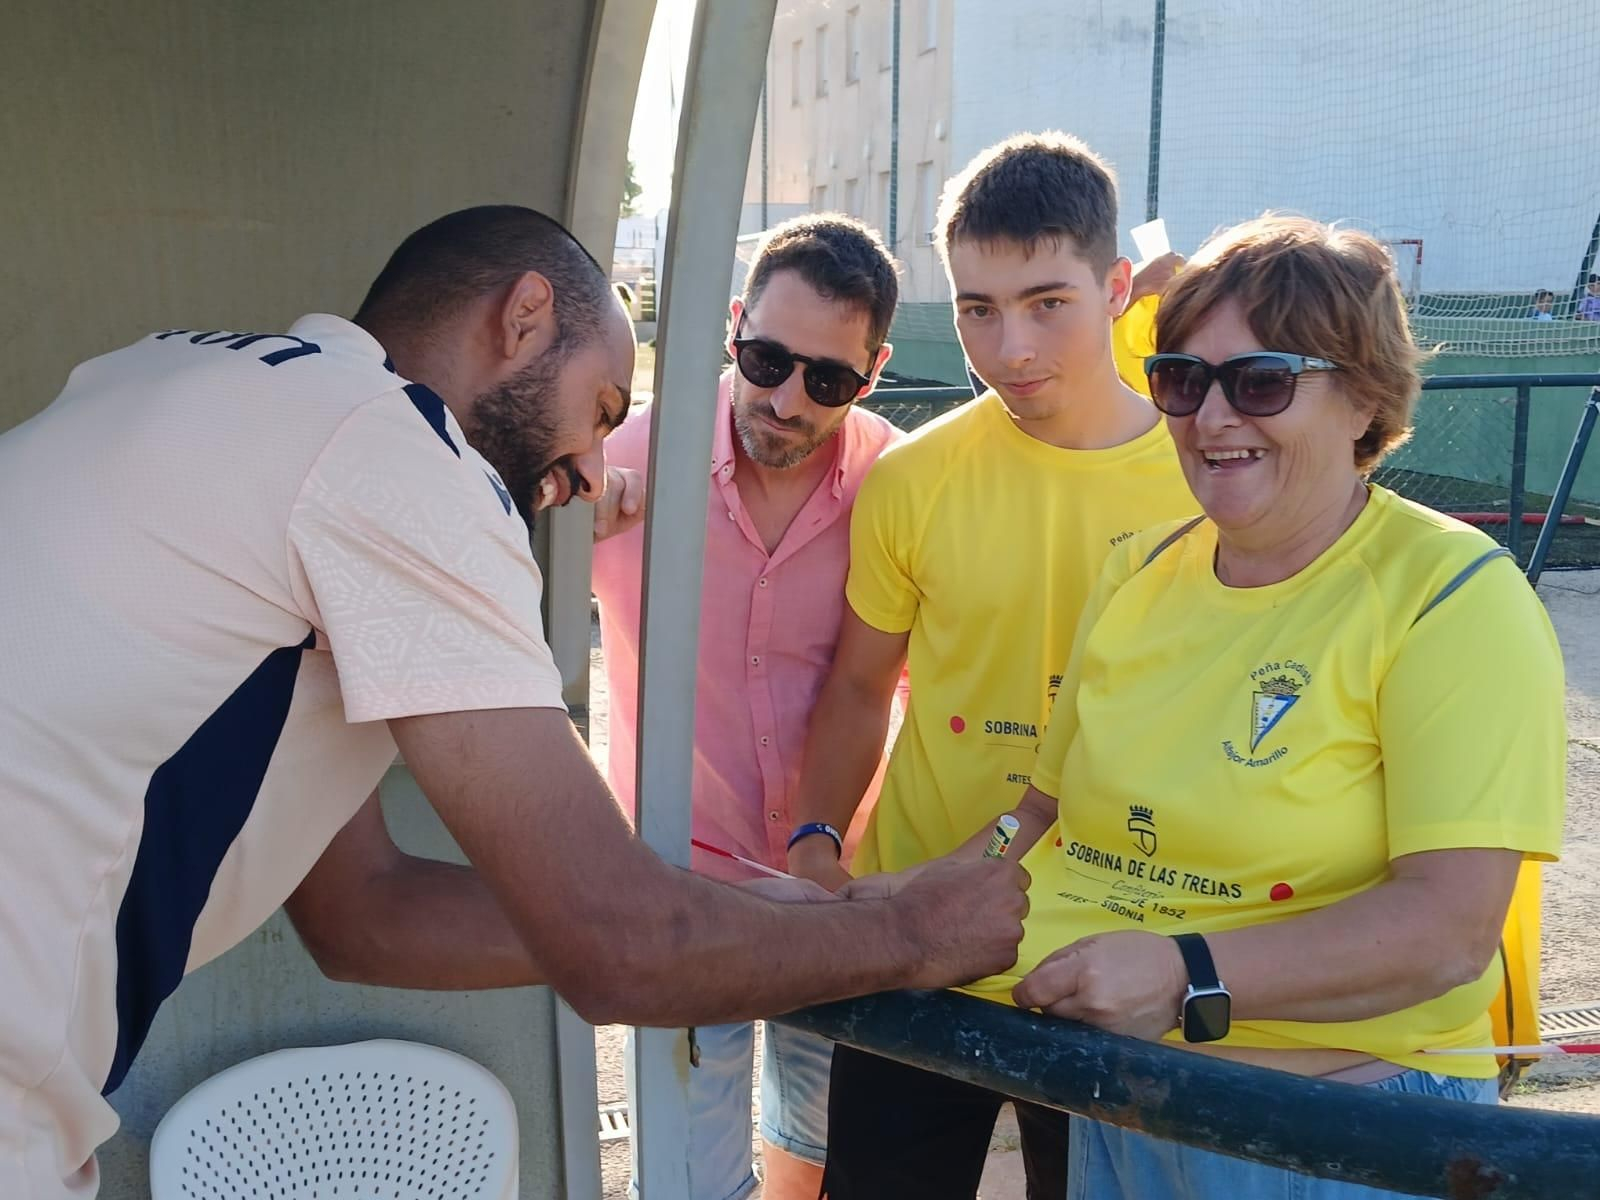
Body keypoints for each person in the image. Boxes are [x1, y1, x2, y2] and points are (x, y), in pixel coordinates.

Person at [0, 205, 1031, 1200]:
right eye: (601, 411)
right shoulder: (395, 454)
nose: (591, 473)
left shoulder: (175, 375)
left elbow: (366, 917)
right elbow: (617, 948)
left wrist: (760, 905)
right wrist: (915, 933)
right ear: (523, 314)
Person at [966, 214, 1565, 1200]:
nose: (1210, 417)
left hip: (1335, 1141)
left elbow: (1449, 931)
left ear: (1363, 395)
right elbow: (1031, 819)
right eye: (1180, 380)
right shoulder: (1137, 570)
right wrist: (900, 910)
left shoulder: (1450, 596)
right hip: (1123, 1110)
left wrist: (1185, 974)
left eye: (1260, 381)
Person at [787, 133, 1198, 1198]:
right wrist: (816, 843)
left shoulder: (1209, 482)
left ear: (1115, 289)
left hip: (1115, 951)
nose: (1008, 344)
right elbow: (858, 686)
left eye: (1046, 302)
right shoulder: (913, 480)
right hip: (918, 936)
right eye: (976, 308)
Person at [589, 213, 902, 1200]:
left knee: (813, 1146)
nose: (785, 398)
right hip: (685, 878)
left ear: (874, 372)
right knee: (685, 1174)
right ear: (733, 327)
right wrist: (556, 514)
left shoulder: (902, 486)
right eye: (765, 358)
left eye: (828, 380)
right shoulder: (622, 461)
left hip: (840, 882)